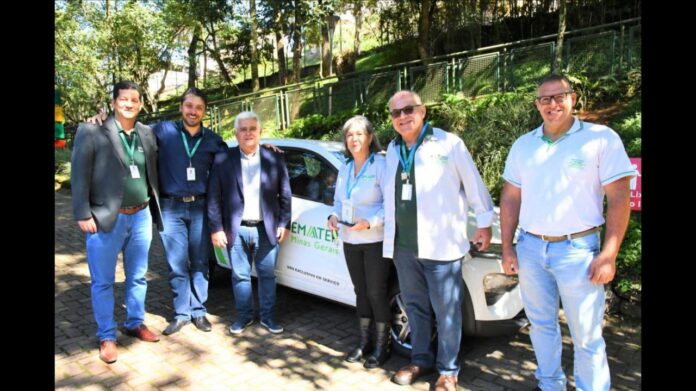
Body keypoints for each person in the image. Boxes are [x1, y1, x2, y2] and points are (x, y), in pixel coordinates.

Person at [500, 74, 637, 391]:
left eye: (559, 96)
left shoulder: (600, 139)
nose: (552, 104)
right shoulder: (524, 145)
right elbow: (510, 198)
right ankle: (550, 385)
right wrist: (508, 248)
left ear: (573, 98)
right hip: (531, 249)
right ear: (537, 105)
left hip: (578, 251)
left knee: (587, 335)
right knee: (541, 326)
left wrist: (608, 254)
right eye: (545, 99)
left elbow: (619, 199)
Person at [88, 88, 228, 336]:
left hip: (200, 208)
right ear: (181, 107)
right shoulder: (161, 131)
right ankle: (182, 313)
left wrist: (265, 147)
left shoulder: (213, 140)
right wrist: (101, 119)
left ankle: (198, 310)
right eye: (188, 106)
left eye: (198, 107)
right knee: (176, 265)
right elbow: (127, 126)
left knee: (200, 262)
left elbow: (235, 159)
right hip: (170, 208)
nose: (193, 111)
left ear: (204, 111)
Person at [383, 91, 495, 391]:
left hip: (441, 246)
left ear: (423, 111)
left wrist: (485, 224)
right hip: (404, 247)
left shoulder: (448, 143)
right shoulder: (392, 151)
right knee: (415, 306)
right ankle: (421, 360)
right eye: (396, 113)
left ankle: (448, 371)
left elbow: (474, 185)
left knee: (446, 310)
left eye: (409, 110)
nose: (403, 117)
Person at [71, 80, 163, 364]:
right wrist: (82, 213)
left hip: (141, 216)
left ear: (141, 104)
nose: (129, 104)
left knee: (137, 276)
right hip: (105, 220)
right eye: (124, 99)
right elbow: (79, 174)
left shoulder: (147, 133)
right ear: (113, 103)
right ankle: (107, 336)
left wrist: (262, 147)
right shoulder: (92, 130)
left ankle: (134, 322)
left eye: (134, 100)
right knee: (103, 281)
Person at [208, 111, 292, 335]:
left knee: (267, 276)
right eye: (243, 129)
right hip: (236, 229)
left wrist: (285, 222)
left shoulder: (274, 158)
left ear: (260, 132)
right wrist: (216, 228)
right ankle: (244, 317)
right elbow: (214, 197)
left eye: (252, 129)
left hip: (267, 229)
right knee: (240, 277)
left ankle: (268, 317)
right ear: (235, 134)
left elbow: (285, 194)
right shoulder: (223, 160)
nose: (248, 133)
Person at [327, 115, 391, 368]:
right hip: (350, 239)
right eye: (349, 135)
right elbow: (338, 202)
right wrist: (333, 215)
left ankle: (381, 346)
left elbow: (391, 204)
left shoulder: (380, 165)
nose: (354, 139)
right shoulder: (344, 167)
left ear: (370, 137)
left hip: (374, 238)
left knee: (377, 292)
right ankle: (364, 343)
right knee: (360, 292)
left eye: (359, 134)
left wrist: (371, 222)